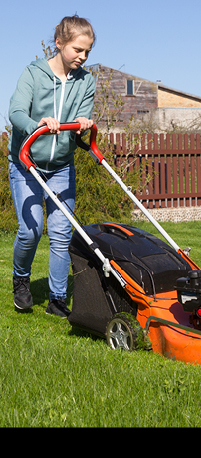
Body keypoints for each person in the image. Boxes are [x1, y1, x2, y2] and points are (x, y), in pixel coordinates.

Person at [8, 15, 96, 318]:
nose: (82, 57)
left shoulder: (86, 81)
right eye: (77, 50)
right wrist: (38, 125)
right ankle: (21, 277)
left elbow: (79, 123)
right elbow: (16, 112)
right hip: (26, 162)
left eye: (87, 52)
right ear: (59, 44)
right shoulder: (33, 74)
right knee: (30, 230)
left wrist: (82, 126)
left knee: (60, 232)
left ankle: (57, 299)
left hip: (60, 165)